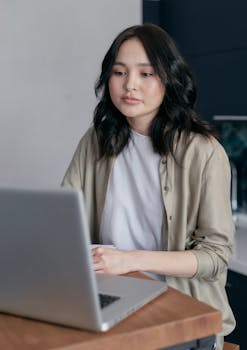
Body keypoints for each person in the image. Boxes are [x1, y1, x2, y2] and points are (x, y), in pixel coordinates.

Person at [62, 24, 235, 349]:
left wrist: (132, 260)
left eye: (146, 73)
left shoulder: (203, 152)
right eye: (119, 72)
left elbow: (215, 257)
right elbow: (62, 223)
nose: (130, 85)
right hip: (110, 298)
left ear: (169, 79)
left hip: (183, 314)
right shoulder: (96, 141)